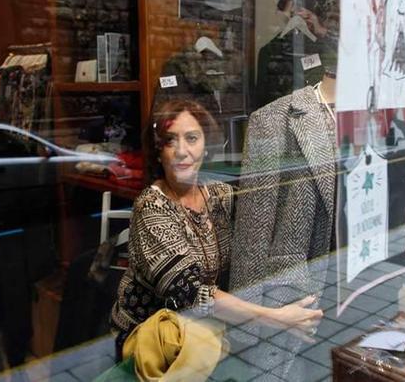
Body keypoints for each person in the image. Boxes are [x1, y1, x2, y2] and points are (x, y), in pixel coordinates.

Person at [110, 99, 323, 358]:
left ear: (206, 146)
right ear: (158, 151)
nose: (181, 151)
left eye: (191, 138)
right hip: (151, 341)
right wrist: (276, 317)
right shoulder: (152, 207)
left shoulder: (218, 194)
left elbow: (263, 213)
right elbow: (190, 293)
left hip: (203, 332)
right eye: (169, 140)